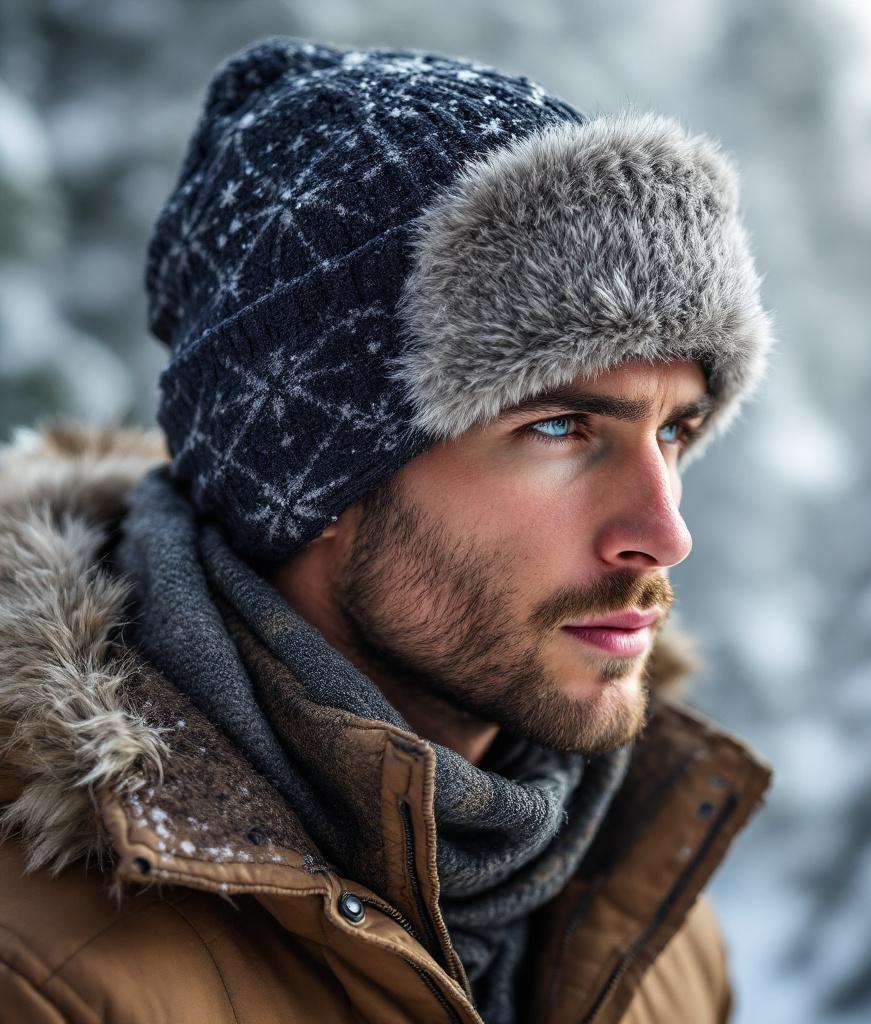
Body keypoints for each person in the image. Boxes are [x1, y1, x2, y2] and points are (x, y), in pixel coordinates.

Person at [0, 35, 776, 1024]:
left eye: (675, 431)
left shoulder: (653, 919)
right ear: (312, 469)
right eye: (558, 426)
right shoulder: (41, 974)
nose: (663, 533)